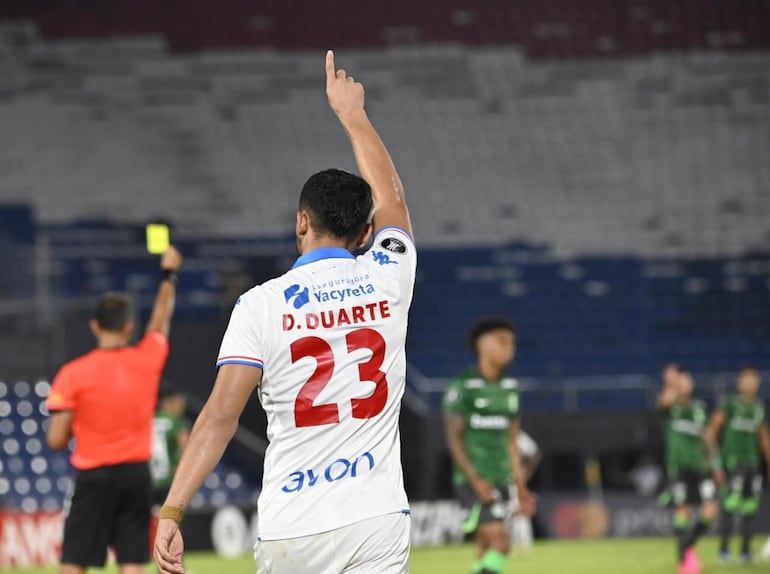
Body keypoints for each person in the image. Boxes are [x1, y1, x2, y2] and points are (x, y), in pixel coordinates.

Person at [153, 51, 416, 574]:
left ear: (301, 222)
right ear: (366, 234)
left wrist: (172, 510)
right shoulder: (392, 275)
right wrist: (354, 116)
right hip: (377, 518)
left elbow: (218, 418)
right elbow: (394, 201)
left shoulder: (259, 305)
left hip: (293, 524)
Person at [46, 247, 183, 574]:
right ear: (127, 327)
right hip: (136, 474)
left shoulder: (72, 374)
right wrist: (168, 275)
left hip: (94, 476)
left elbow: (55, 439)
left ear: (95, 326)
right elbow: (161, 319)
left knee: (75, 561)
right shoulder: (146, 360)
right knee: (132, 562)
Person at [443, 317, 536, 574]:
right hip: (474, 481)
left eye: (512, 343)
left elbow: (512, 443)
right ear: (482, 345)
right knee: (501, 543)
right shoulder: (464, 386)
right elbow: (454, 440)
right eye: (502, 341)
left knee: (485, 546)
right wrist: (476, 481)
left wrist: (521, 487)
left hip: (501, 479)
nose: (510, 348)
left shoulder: (510, 388)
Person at [705, 367, 770, 563]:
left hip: (753, 464)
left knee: (749, 508)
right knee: (729, 506)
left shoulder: (758, 407)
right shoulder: (730, 404)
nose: (750, 383)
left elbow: (763, 437)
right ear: (739, 382)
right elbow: (711, 432)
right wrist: (715, 462)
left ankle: (745, 551)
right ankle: (724, 550)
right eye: (746, 379)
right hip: (732, 464)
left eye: (753, 380)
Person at [658, 366, 718, 574]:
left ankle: (688, 547)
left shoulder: (699, 409)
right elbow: (663, 402)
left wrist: (715, 464)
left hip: (700, 468)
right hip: (679, 467)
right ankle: (684, 561)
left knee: (710, 510)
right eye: (682, 381)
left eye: (688, 380)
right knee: (683, 510)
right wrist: (670, 383)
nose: (686, 384)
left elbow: (708, 439)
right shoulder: (672, 409)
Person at [151, 386, 189, 507]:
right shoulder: (175, 421)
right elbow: (186, 448)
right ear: (168, 402)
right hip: (169, 481)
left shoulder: (148, 419)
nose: (182, 406)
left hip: (148, 480)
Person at [511, 429, 541, 550]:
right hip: (495, 478)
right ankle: (507, 547)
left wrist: (525, 475)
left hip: (513, 478)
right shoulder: (489, 434)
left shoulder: (516, 435)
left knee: (520, 512)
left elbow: (535, 454)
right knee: (502, 514)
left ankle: (525, 547)